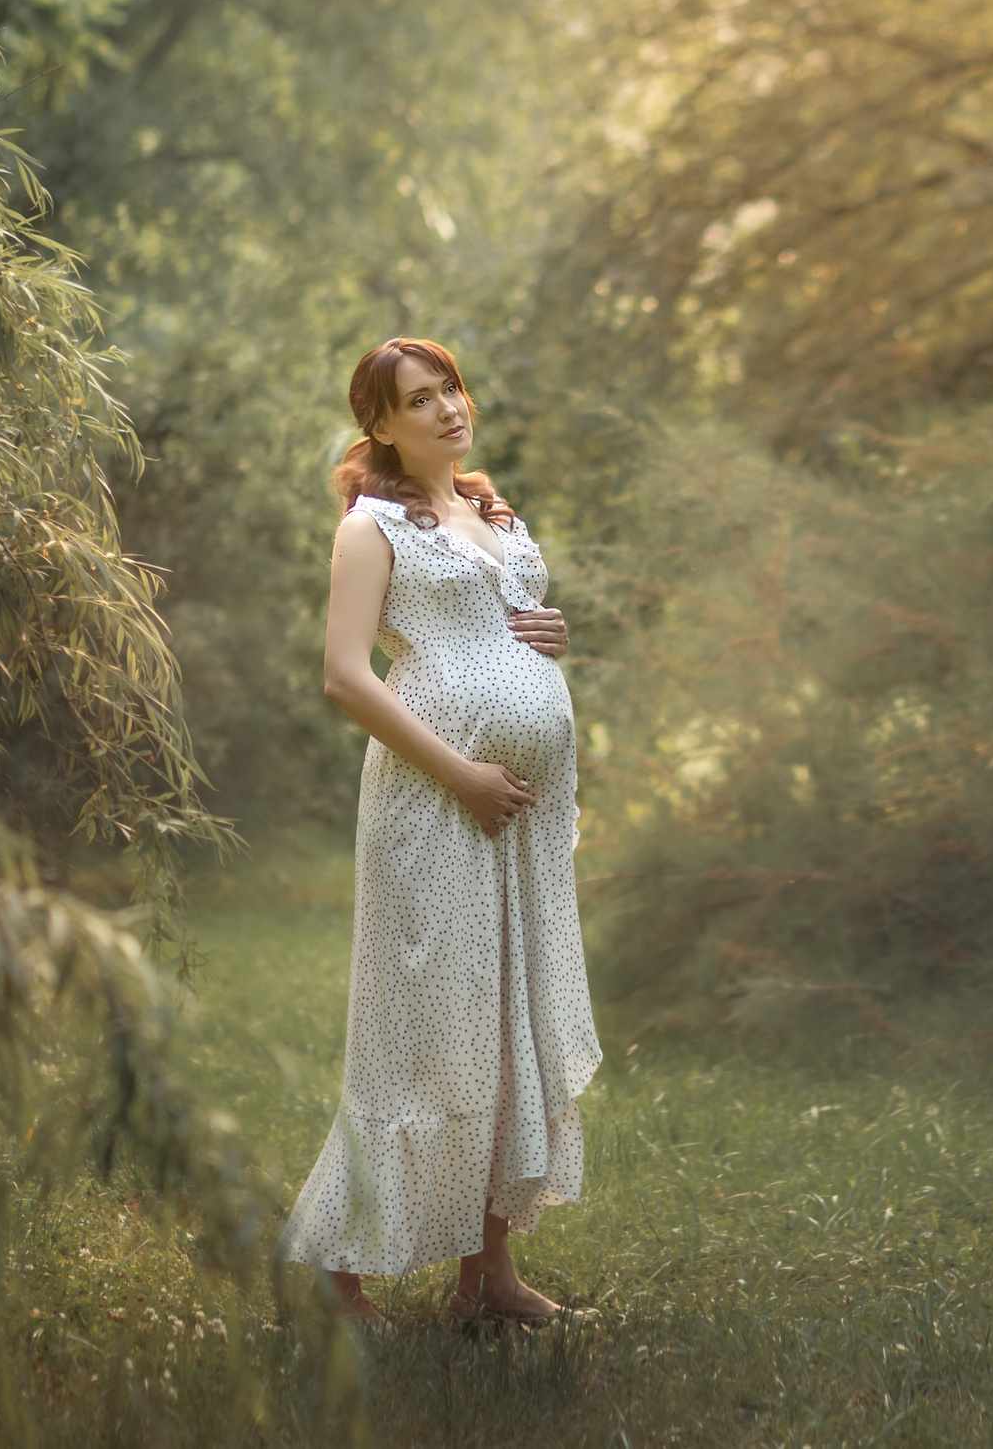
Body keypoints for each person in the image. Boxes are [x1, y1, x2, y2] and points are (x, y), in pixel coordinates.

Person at [278, 337, 602, 1326]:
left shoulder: (492, 512)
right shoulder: (370, 527)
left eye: (449, 388)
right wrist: (461, 772)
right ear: (380, 426)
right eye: (418, 400)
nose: (446, 409)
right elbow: (345, 675)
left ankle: (486, 1281)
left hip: (521, 819)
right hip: (436, 801)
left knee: (506, 1033)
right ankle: (340, 1281)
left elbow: (510, 632)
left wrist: (551, 635)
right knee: (421, 1037)